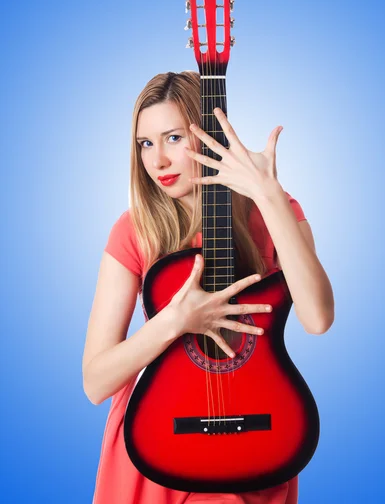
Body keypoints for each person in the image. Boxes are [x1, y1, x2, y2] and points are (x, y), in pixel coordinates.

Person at [83, 71, 334, 503]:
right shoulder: (134, 231)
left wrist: (268, 194)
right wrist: (176, 321)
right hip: (158, 435)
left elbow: (318, 318)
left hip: (253, 431)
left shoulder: (273, 213)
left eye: (174, 138)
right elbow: (95, 382)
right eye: (146, 143)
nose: (157, 160)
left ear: (209, 133)